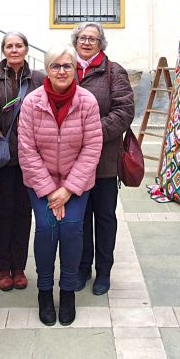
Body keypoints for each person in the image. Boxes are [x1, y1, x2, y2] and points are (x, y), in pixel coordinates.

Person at [18, 47, 103, 327]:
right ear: (47, 69)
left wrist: (68, 189)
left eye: (67, 66)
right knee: (46, 228)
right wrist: (49, 189)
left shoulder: (87, 101)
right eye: (56, 66)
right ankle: (44, 292)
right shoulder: (32, 102)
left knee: (70, 228)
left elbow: (92, 148)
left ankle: (67, 292)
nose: (62, 71)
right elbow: (26, 150)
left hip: (75, 183)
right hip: (41, 183)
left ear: (74, 69)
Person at [72, 22, 135, 296]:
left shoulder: (113, 72)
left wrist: (91, 131)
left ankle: (104, 271)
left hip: (105, 162)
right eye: (83, 38)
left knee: (105, 217)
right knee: (80, 218)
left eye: (93, 39)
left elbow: (124, 111)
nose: (87, 43)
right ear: (75, 41)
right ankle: (83, 267)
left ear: (101, 44)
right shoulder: (65, 68)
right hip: (72, 163)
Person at [0, 31, 45, 292]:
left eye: (18, 45)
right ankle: (2, 267)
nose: (14, 50)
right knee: (1, 213)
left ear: (26, 48)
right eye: (9, 46)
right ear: (3, 50)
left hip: (30, 157)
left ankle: (19, 266)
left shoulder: (39, 79)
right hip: (2, 156)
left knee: (24, 213)